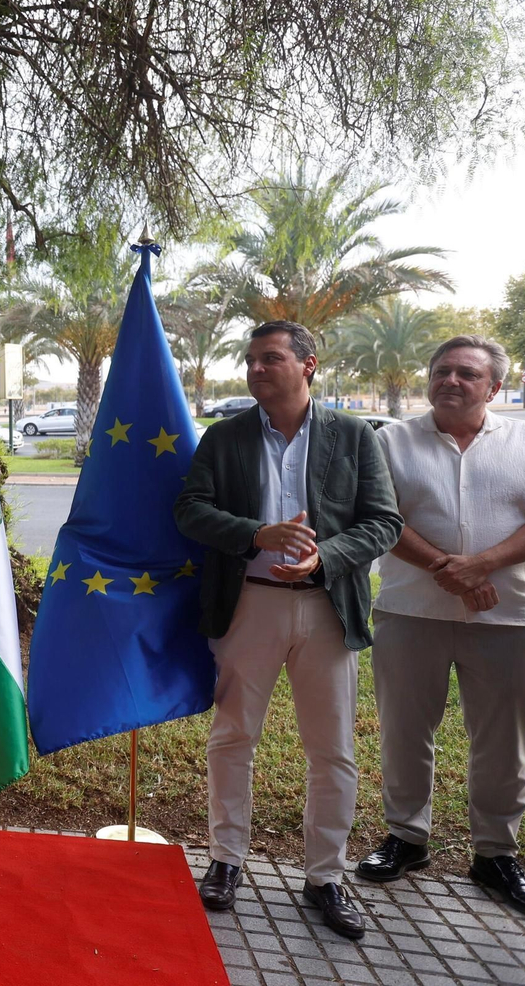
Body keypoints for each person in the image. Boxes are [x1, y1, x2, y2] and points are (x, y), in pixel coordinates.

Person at [174, 320, 401, 940]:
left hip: (327, 607)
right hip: (250, 604)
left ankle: (325, 876)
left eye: (270, 359)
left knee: (332, 749)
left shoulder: (354, 435)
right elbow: (190, 509)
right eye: (250, 360)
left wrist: (326, 553)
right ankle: (226, 860)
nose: (255, 369)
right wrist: (255, 534)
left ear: (309, 365)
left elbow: (384, 522)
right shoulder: (224, 437)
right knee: (232, 735)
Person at [356, 335, 525, 923]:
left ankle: (496, 855)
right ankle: (405, 838)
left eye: (467, 374)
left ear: (493, 386)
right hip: (407, 613)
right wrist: (451, 571)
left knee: (503, 742)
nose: (451, 380)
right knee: (404, 731)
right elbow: (380, 516)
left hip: (506, 618)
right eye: (442, 371)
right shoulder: (392, 439)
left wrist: (481, 566)